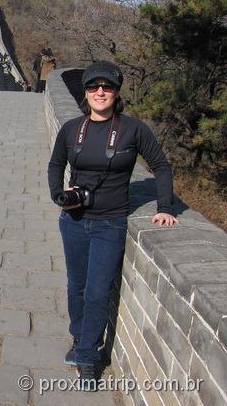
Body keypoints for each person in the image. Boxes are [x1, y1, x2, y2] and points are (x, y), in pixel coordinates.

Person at [47, 60, 178, 391]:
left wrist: (165, 207)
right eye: (93, 87)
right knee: (76, 286)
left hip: (111, 223)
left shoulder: (133, 130)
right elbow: (55, 163)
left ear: (116, 92)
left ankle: (88, 358)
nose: (100, 92)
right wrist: (58, 195)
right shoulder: (72, 129)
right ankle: (79, 340)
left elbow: (161, 167)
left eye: (106, 87)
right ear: (85, 93)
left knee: (97, 291)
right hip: (74, 221)